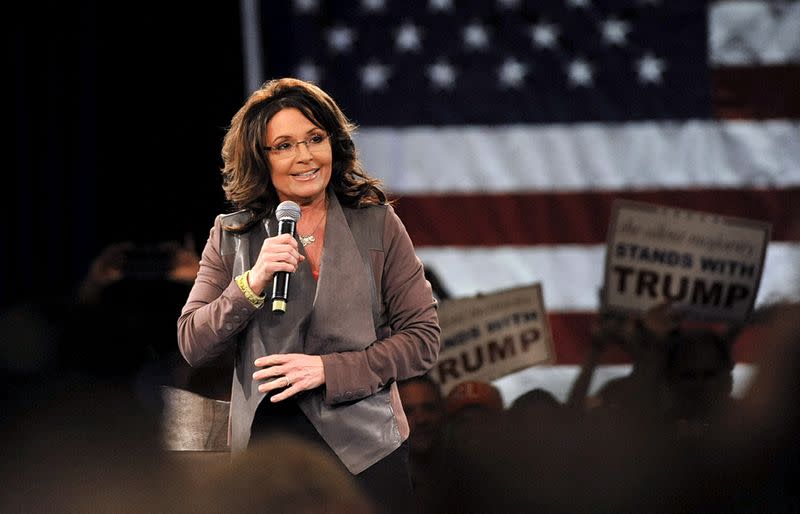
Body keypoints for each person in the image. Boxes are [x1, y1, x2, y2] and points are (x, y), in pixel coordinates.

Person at [177, 77, 440, 513]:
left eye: (315, 138)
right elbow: (193, 344)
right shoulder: (232, 235)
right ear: (260, 158)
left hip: (367, 451)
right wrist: (252, 282)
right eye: (283, 145)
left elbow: (423, 339)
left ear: (333, 143)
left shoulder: (377, 223)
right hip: (269, 458)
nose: (304, 157)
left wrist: (329, 370)